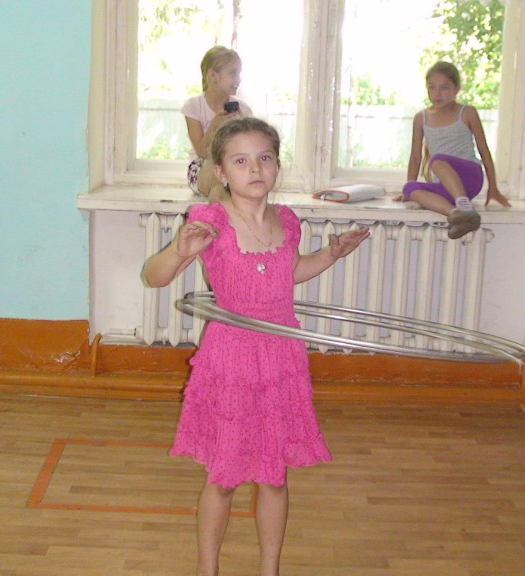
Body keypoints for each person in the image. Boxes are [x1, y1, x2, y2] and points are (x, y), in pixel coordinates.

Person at [142, 117, 370, 576]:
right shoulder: (209, 221)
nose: (255, 169)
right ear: (221, 172)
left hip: (280, 357)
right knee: (224, 477)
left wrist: (331, 254)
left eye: (265, 158)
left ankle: (270, 569)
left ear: (278, 166)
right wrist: (179, 250)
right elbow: (154, 277)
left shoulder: (287, 221)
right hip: (231, 358)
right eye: (241, 161)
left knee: (274, 475)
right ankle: (208, 569)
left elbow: (289, 273)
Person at [397, 61, 511, 239]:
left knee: (437, 160)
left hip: (469, 178)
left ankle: (464, 206)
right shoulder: (421, 118)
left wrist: (493, 187)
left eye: (444, 87)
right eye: (432, 87)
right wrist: (407, 192)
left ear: (456, 89)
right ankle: (457, 215)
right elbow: (415, 157)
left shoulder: (467, 112)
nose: (437, 93)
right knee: (410, 187)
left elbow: (484, 151)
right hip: (445, 186)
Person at [182, 45, 253, 203]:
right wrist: (215, 125)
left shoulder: (244, 110)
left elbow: (249, 151)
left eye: (239, 73)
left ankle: (221, 217)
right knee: (221, 180)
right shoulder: (193, 107)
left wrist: (241, 127)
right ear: (213, 76)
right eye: (233, 73)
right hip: (202, 167)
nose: (239, 79)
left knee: (220, 192)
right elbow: (201, 152)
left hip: (232, 168)